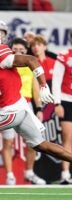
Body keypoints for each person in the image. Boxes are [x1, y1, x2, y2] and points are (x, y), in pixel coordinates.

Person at [0, 22, 72, 185]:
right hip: (17, 108)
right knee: (42, 145)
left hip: (10, 111)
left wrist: (42, 85)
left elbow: (31, 60)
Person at [1, 38, 45, 185]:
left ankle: (29, 172)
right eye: (15, 50)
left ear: (27, 51)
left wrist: (38, 108)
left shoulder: (30, 64)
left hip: (26, 105)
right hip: (9, 104)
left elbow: (35, 88)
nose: (18, 53)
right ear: (10, 50)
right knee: (8, 142)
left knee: (35, 140)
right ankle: (9, 175)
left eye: (22, 50)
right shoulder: (6, 64)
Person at [52, 46, 72, 184]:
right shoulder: (64, 55)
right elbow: (56, 80)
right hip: (66, 100)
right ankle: (65, 173)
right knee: (68, 137)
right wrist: (57, 103)